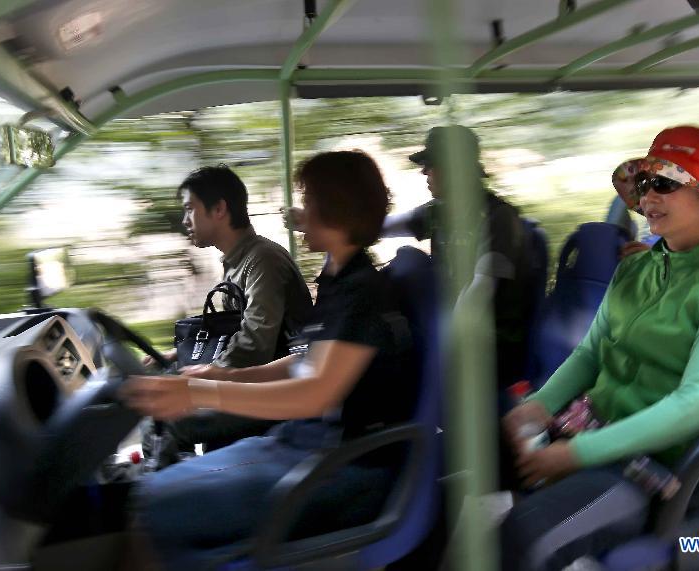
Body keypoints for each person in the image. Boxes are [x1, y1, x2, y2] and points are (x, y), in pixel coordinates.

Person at [501, 126, 699, 571]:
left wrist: (576, 455)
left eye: (665, 183)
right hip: (596, 433)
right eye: (645, 184)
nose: (647, 197)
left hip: (669, 472)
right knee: (463, 457)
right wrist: (538, 406)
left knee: (522, 535)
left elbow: (694, 406)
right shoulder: (635, 270)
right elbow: (591, 353)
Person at [122, 151, 417, 569]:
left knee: (150, 505)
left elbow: (314, 394)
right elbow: (304, 360)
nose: (298, 213)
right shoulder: (338, 279)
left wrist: (198, 391)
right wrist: (229, 376)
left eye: (307, 200)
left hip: (337, 466)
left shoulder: (362, 296)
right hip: (302, 443)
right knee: (149, 497)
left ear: (333, 207)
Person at [144, 165, 312, 467]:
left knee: (169, 418)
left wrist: (204, 380)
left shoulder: (263, 260)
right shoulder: (238, 263)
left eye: (190, 209)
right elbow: (231, 333)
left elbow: (255, 344)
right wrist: (175, 356)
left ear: (219, 208)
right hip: (252, 377)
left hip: (276, 387)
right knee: (159, 390)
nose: (185, 220)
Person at [383, 124, 537, 387]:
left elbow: (479, 292)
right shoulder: (440, 212)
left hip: (491, 346)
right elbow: (380, 226)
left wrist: (440, 350)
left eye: (431, 164)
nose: (424, 172)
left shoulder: (498, 218)